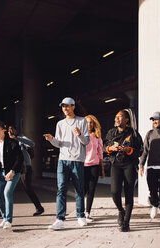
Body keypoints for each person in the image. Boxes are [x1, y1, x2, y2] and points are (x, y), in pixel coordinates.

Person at [43, 97, 90, 230]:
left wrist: (79, 134)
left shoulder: (82, 121)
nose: (65, 109)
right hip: (63, 161)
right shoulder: (60, 124)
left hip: (77, 160)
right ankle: (60, 219)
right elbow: (59, 144)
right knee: (61, 189)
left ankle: (80, 216)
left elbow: (86, 141)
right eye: (63, 106)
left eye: (68, 106)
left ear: (73, 106)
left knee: (79, 190)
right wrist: (52, 139)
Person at [104, 109, 143, 232]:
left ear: (126, 120)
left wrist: (129, 150)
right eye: (116, 117)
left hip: (130, 165)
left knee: (129, 193)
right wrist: (111, 148)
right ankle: (121, 210)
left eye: (120, 117)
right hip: (116, 165)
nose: (117, 119)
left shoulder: (134, 134)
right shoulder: (111, 132)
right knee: (115, 192)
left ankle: (126, 222)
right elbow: (104, 148)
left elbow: (140, 151)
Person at [0, 120, 23, 229]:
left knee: (7, 193)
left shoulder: (12, 142)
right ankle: (4, 218)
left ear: (3, 130)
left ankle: (9, 220)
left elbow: (19, 159)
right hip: (1, 173)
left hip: (14, 172)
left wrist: (12, 171)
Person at [8, 126, 45, 216]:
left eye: (11, 131)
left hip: (25, 167)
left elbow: (32, 143)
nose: (10, 133)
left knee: (27, 188)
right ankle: (1, 210)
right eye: (8, 132)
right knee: (5, 188)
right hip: (12, 168)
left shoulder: (21, 138)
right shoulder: (7, 142)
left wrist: (17, 138)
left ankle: (39, 207)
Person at [84, 115, 104, 222]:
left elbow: (100, 153)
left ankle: (87, 213)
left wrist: (102, 169)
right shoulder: (81, 135)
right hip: (82, 166)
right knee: (82, 190)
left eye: (91, 122)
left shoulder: (97, 137)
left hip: (94, 166)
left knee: (91, 190)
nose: (89, 124)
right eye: (87, 122)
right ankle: (80, 212)